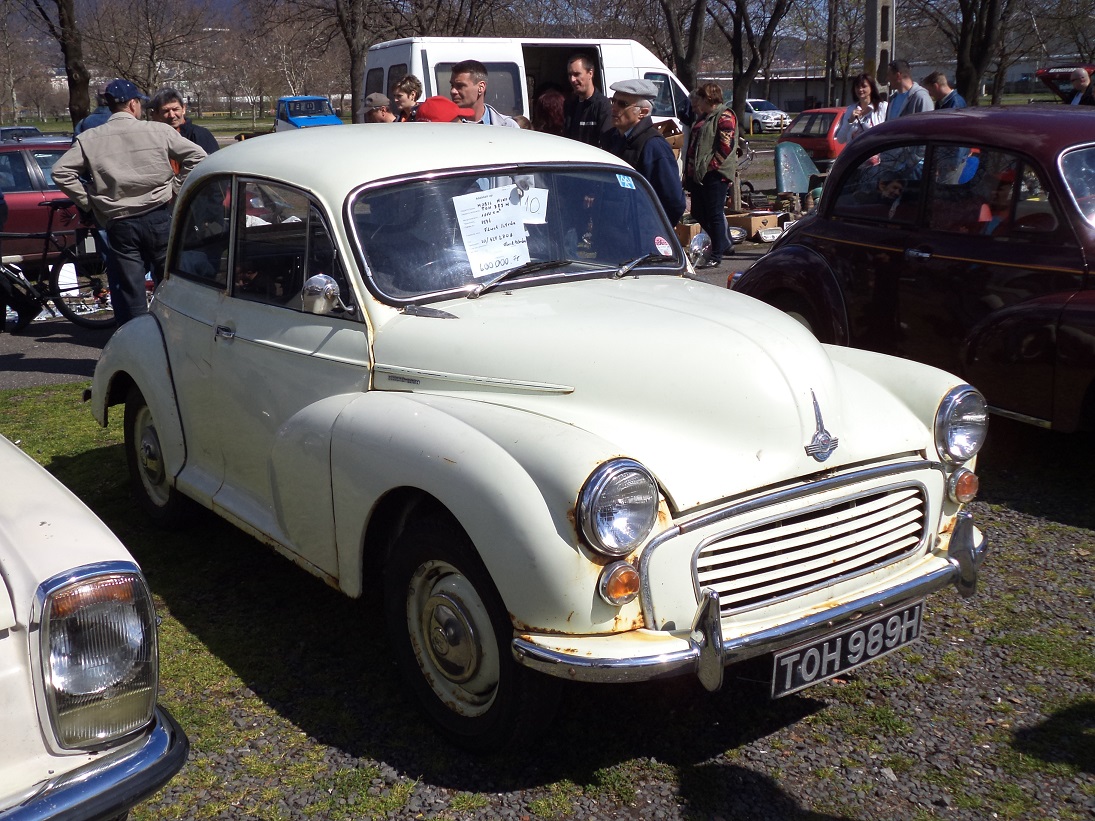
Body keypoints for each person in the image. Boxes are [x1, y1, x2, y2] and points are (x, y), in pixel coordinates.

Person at [52, 78, 206, 325]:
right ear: (134, 104)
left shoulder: (90, 138)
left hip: (120, 221)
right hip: (159, 214)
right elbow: (198, 156)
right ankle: (175, 333)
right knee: (168, 280)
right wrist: (176, 187)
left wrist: (89, 202)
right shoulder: (158, 130)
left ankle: (140, 343)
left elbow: (60, 172)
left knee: (131, 289)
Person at [603, 78, 686, 226]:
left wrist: (653, 231)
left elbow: (674, 202)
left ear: (643, 112)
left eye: (622, 104)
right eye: (613, 101)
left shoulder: (654, 146)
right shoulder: (613, 139)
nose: (614, 108)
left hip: (640, 235)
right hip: (613, 231)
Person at [683, 83, 736, 268]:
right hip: (699, 174)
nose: (698, 102)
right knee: (697, 211)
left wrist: (711, 166)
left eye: (700, 98)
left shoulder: (725, 116)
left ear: (709, 99)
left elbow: (725, 146)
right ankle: (719, 241)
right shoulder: (703, 117)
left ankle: (717, 253)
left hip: (715, 174)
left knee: (714, 213)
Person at [147, 88, 220, 153]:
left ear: (183, 109)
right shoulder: (154, 138)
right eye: (166, 111)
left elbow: (213, 164)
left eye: (175, 109)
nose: (172, 115)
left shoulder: (199, 135)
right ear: (157, 113)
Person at [449, 60, 519, 127]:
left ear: (481, 87)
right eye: (452, 85)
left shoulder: (508, 126)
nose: (453, 91)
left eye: (460, 86)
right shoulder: (445, 125)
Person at [563, 53, 612, 146]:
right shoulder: (570, 104)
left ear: (590, 73)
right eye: (570, 75)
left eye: (577, 74)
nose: (572, 79)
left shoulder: (603, 105)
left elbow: (606, 143)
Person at [836, 73, 888, 142]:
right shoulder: (850, 110)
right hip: (856, 151)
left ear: (871, 88)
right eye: (857, 87)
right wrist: (850, 121)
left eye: (864, 86)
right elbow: (840, 139)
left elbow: (888, 132)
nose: (860, 89)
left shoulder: (882, 107)